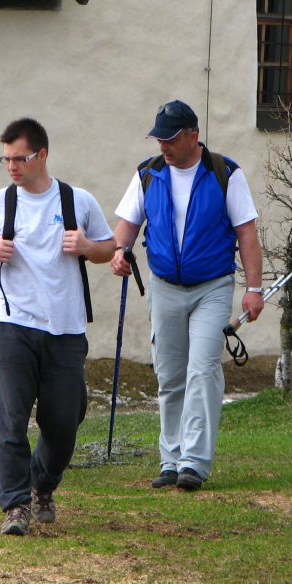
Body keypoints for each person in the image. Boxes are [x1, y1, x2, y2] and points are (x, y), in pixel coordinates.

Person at [0, 117, 116, 535]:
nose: (12, 166)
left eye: (20, 158)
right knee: (11, 419)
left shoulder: (76, 200)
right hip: (12, 325)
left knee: (65, 420)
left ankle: (42, 484)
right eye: (6, 158)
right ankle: (15, 506)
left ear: (42, 155)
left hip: (65, 329)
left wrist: (86, 246)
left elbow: (108, 247)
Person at [110, 99, 264, 491]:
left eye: (171, 138)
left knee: (203, 370)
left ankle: (194, 462)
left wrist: (254, 289)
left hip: (212, 287)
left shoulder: (224, 173)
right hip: (164, 287)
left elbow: (247, 233)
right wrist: (118, 251)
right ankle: (170, 459)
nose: (164, 145)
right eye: (159, 138)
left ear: (193, 135)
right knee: (171, 374)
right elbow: (127, 223)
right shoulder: (148, 174)